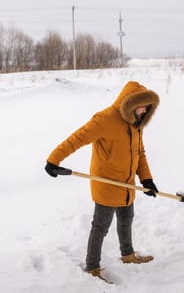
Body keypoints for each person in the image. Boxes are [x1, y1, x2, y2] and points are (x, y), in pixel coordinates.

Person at [45, 81, 160, 281]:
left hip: (127, 185)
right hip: (107, 184)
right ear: (129, 103)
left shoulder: (136, 124)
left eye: (147, 107)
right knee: (100, 226)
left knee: (126, 219)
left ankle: (128, 254)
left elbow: (139, 153)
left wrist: (147, 179)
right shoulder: (105, 119)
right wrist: (53, 160)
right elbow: (77, 138)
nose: (144, 110)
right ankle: (91, 266)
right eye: (142, 105)